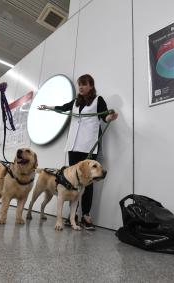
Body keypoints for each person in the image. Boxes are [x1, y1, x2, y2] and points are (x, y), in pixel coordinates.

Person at [38, 74, 118, 230]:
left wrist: (110, 117)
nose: (81, 87)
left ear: (91, 86)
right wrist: (47, 107)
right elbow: (63, 108)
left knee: (88, 182)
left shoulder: (97, 100)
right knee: (72, 182)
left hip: (88, 146)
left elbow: (104, 116)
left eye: (84, 84)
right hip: (73, 146)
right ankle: (71, 216)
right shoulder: (75, 102)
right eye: (79, 84)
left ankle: (86, 216)